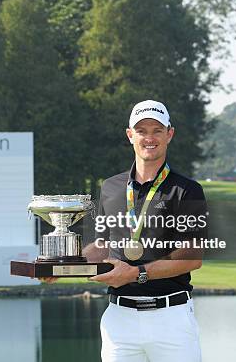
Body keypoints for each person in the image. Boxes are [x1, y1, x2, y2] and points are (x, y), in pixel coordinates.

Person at [43, 99, 207, 362]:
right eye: (142, 131)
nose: (149, 138)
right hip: (119, 320)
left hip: (171, 318)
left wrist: (135, 273)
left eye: (157, 130)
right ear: (130, 135)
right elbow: (102, 244)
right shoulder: (111, 187)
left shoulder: (187, 190)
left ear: (170, 134)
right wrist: (66, 266)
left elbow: (192, 257)